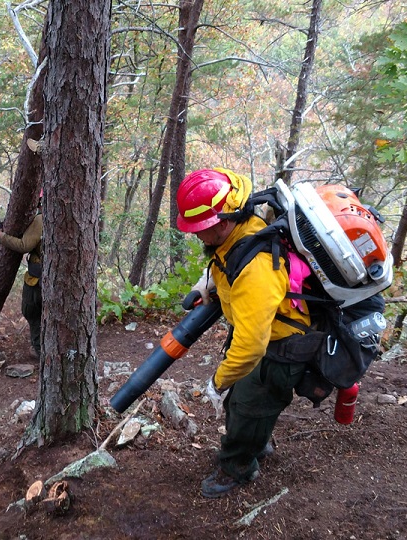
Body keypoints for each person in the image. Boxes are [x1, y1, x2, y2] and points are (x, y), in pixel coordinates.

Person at [176, 168, 311, 499]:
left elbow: (251, 347)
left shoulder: (256, 269)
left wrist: (217, 382)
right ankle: (257, 441)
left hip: (281, 348)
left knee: (248, 404)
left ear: (222, 222)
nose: (197, 235)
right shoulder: (240, 232)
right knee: (242, 403)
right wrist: (205, 284)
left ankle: (237, 466)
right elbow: (226, 262)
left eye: (200, 229)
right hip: (266, 336)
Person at [0, 191, 43, 358]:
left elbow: (24, 245)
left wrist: (1, 235)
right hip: (50, 279)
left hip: (38, 278)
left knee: (31, 311)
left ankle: (39, 350)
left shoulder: (41, 219)